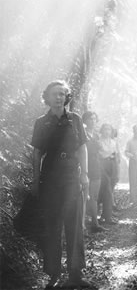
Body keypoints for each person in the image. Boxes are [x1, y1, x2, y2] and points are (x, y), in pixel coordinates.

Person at [31, 80, 94, 289]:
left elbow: (83, 148)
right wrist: (35, 181)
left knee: (74, 224)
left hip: (71, 177)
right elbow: (37, 153)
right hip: (49, 178)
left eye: (62, 94)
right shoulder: (41, 122)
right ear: (47, 97)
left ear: (66, 97)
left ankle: (75, 274)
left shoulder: (75, 119)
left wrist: (84, 174)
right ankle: (53, 274)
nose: (59, 97)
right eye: (55, 94)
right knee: (53, 226)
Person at [82, 111, 107, 233]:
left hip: (96, 166)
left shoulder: (96, 135)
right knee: (83, 196)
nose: (92, 121)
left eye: (94, 119)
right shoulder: (82, 133)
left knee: (94, 197)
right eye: (90, 119)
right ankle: (82, 224)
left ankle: (95, 223)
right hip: (85, 165)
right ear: (85, 120)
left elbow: (101, 150)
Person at [98, 123, 120, 224]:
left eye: (109, 130)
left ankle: (105, 214)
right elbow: (101, 155)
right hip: (102, 166)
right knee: (107, 191)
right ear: (102, 130)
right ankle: (107, 217)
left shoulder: (113, 142)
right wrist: (109, 155)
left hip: (112, 166)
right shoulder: (98, 141)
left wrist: (117, 171)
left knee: (110, 189)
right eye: (105, 129)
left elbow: (116, 155)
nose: (107, 132)